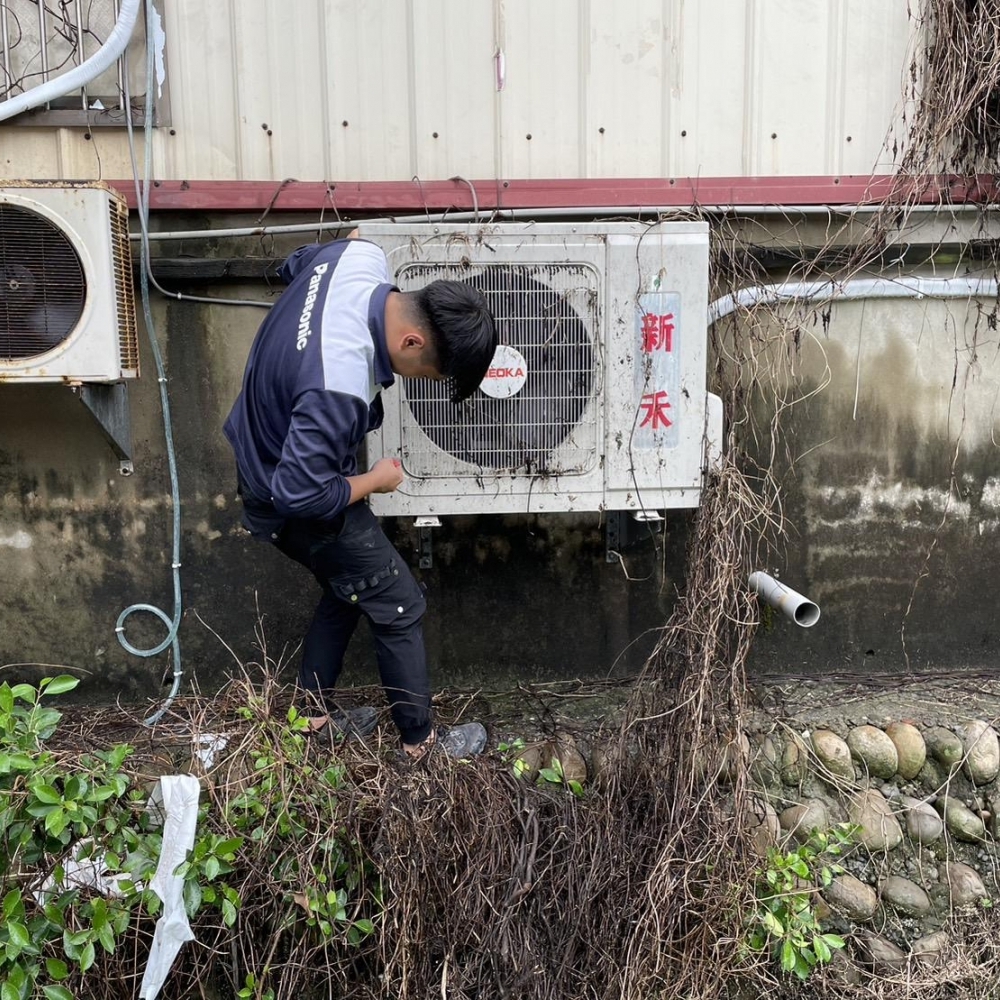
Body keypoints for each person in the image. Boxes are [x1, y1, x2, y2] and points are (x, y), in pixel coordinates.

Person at [223, 232, 497, 759]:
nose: (419, 381)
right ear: (413, 341)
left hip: (261, 449)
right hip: (284, 487)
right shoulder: (339, 384)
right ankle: (421, 746)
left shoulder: (359, 255)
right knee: (398, 603)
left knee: (349, 586)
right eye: (427, 374)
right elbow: (297, 495)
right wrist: (376, 480)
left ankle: (310, 720)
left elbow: (296, 263)